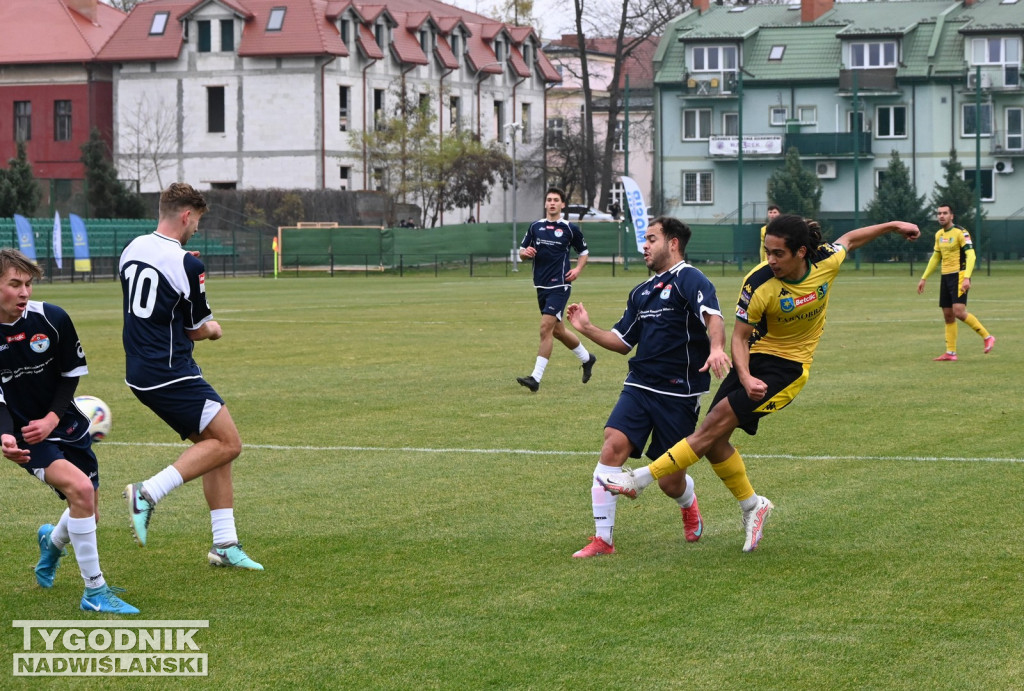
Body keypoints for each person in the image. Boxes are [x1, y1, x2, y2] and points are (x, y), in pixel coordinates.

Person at [597, 216, 920, 552]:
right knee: (715, 441)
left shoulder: (826, 261)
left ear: (801, 252)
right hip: (753, 358)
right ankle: (753, 505)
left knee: (710, 427)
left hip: (789, 368)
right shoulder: (758, 283)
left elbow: (850, 238)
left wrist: (894, 226)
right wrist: (746, 376)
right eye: (767, 252)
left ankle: (639, 479)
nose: (771, 260)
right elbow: (739, 338)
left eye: (779, 254)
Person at [565, 217, 731, 557]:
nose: (645, 245)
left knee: (670, 481)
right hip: (639, 385)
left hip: (680, 393)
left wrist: (716, 348)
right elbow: (622, 342)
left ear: (673, 243)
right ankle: (603, 540)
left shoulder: (690, 278)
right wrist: (587, 328)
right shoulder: (641, 292)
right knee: (612, 444)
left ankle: (688, 502)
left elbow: (712, 316)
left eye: (652, 239)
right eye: (645, 239)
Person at [120, 182, 263, 571]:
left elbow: (155, 299)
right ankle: (147, 493)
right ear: (186, 216)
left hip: (140, 370)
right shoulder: (188, 266)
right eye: (197, 221)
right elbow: (197, 329)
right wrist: (214, 330)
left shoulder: (132, 249)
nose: (196, 228)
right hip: (169, 372)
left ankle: (225, 544)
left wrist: (183, 266)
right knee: (229, 443)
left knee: (215, 447)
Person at [0, 249, 139, 614]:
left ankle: (51, 542)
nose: (24, 292)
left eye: (28, 284)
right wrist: (6, 436)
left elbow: (69, 375)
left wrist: (51, 417)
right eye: (14, 284)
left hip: (67, 423)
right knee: (81, 490)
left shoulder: (52, 318)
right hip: (27, 436)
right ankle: (94, 592)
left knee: (88, 509)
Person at [516, 186, 596, 392]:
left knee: (545, 328)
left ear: (562, 205)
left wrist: (577, 269)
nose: (552, 203)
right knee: (558, 331)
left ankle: (535, 378)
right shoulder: (535, 227)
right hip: (541, 285)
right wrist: (525, 253)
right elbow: (521, 252)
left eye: (556, 200)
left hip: (560, 285)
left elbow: (584, 252)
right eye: (549, 199)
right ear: (545, 203)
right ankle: (587, 358)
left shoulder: (569, 228)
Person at [916, 204, 995, 361]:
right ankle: (951, 353)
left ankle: (987, 337)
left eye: (945, 213)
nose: (941, 216)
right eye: (939, 213)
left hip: (959, 275)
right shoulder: (939, 234)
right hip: (945, 277)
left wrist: (966, 277)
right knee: (948, 315)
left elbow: (971, 255)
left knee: (958, 311)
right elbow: (935, 257)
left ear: (951, 216)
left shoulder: (961, 232)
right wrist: (924, 278)